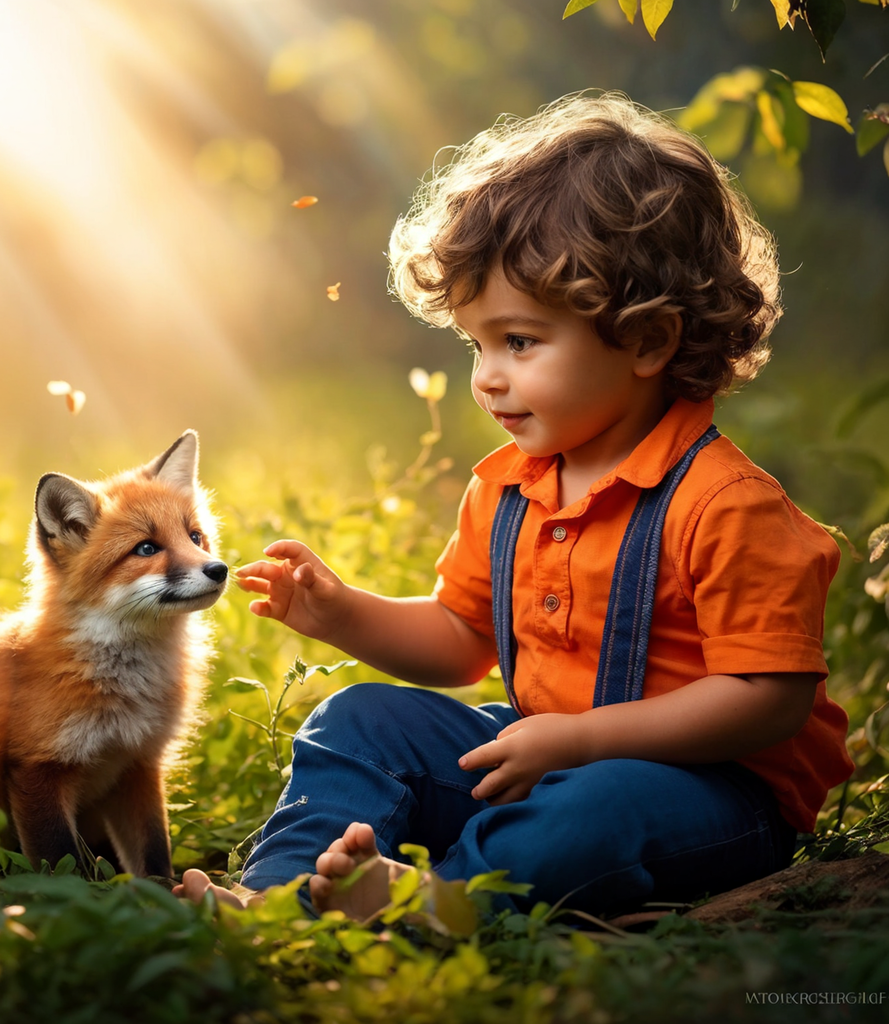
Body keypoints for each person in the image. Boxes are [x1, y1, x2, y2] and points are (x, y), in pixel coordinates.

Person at [173, 91, 854, 920]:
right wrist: (341, 613)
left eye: (520, 342)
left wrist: (585, 740)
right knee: (359, 719)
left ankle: (445, 905)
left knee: (592, 815)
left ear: (646, 340)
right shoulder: (506, 489)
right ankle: (284, 898)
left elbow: (766, 699)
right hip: (545, 750)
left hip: (708, 798)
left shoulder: (725, 505)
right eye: (477, 344)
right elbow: (462, 642)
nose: (488, 376)